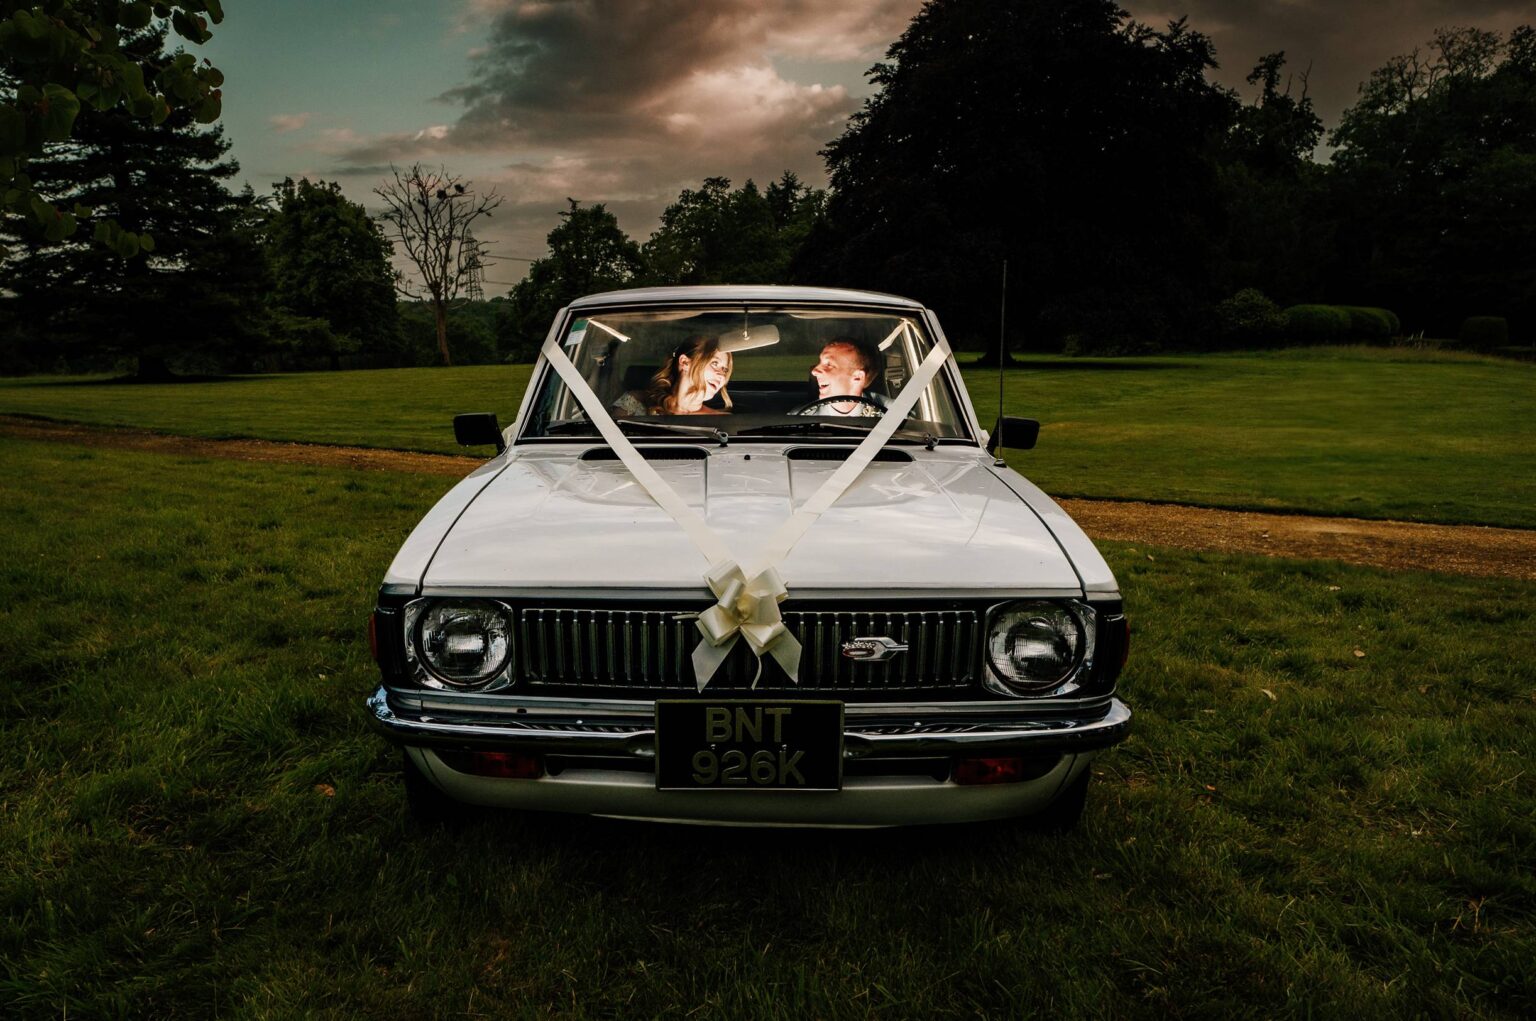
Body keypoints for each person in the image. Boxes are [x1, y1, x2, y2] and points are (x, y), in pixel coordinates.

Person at [611, 335, 733, 416]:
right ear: (685, 362)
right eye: (714, 363)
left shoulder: (723, 420)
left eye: (725, 369)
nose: (722, 376)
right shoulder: (635, 403)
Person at [808, 338, 886, 417]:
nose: (814, 371)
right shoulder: (803, 418)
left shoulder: (894, 415)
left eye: (829, 365)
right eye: (820, 362)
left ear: (858, 377)